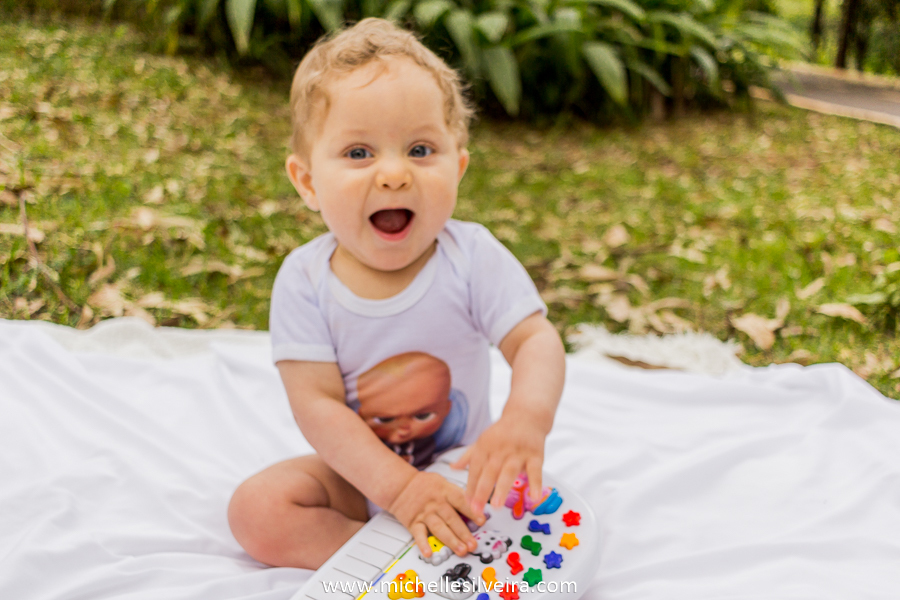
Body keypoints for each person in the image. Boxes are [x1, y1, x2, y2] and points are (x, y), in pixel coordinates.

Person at [227, 17, 566, 571]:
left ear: (457, 168)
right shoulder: (305, 280)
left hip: (463, 473)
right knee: (257, 511)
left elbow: (535, 340)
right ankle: (396, 564)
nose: (392, 174)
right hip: (362, 478)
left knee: (530, 514)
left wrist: (526, 418)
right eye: (359, 153)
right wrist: (401, 493)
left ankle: (449, 546)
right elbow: (316, 405)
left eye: (420, 149)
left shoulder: (471, 256)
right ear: (308, 181)